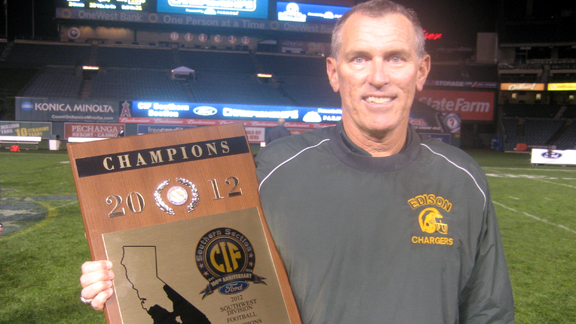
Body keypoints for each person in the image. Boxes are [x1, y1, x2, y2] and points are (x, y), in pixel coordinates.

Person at [80, 0, 514, 322]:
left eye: (395, 58)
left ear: (421, 71)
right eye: (359, 58)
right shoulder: (273, 171)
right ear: (333, 72)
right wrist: (120, 276)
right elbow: (208, 263)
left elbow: (489, 311)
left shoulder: (463, 180)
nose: (378, 77)